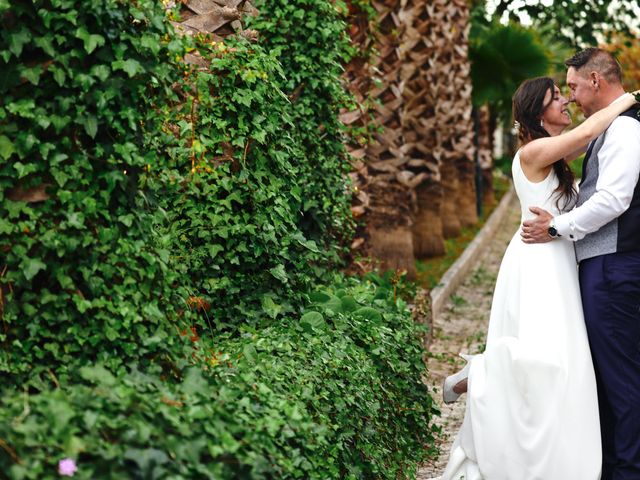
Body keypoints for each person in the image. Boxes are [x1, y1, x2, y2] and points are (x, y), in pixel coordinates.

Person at [439, 74, 640, 480]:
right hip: (538, 262)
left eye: (565, 94)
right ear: (537, 112)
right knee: (547, 356)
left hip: (562, 259)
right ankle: (480, 375)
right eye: (555, 97)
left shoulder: (555, 159)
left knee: (567, 360)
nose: (565, 101)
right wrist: (629, 98)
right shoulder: (534, 152)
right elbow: (589, 129)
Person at [521, 48, 640, 480]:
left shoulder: (624, 129)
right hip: (599, 267)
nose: (569, 96)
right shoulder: (604, 131)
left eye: (571, 86)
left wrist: (557, 228)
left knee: (621, 380)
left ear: (595, 80)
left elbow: (613, 199)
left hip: (612, 268)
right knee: (607, 377)